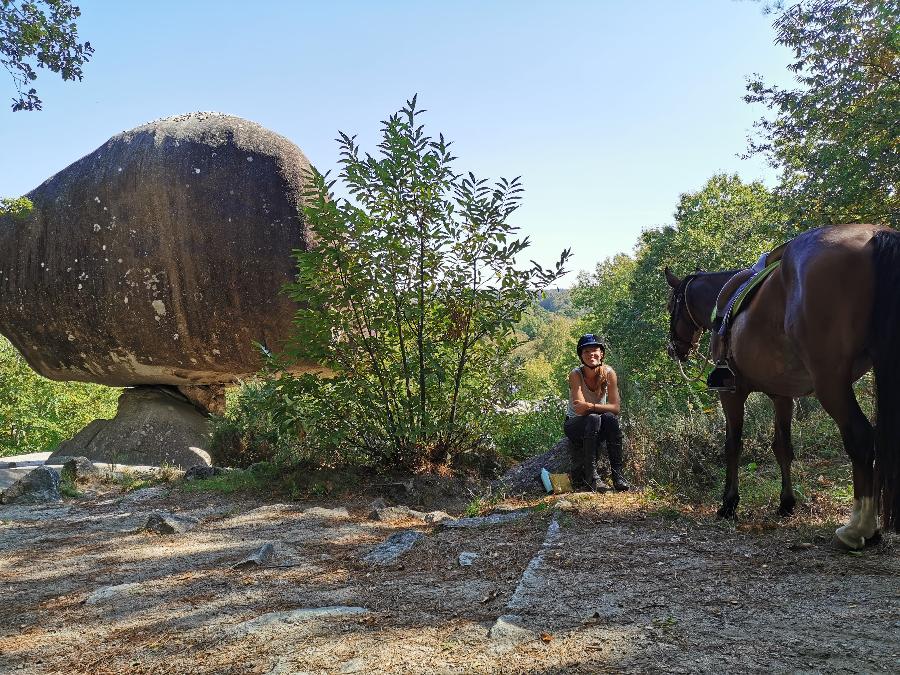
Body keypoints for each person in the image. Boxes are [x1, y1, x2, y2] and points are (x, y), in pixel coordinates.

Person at [564, 334, 630, 492]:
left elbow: (615, 408)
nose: (591, 354)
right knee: (594, 417)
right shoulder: (576, 375)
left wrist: (590, 405)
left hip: (597, 424)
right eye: (586, 351)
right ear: (581, 356)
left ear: (602, 354)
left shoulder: (609, 373)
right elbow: (580, 410)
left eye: (595, 350)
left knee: (610, 419)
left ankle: (618, 475)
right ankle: (591, 477)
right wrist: (595, 408)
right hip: (575, 425)